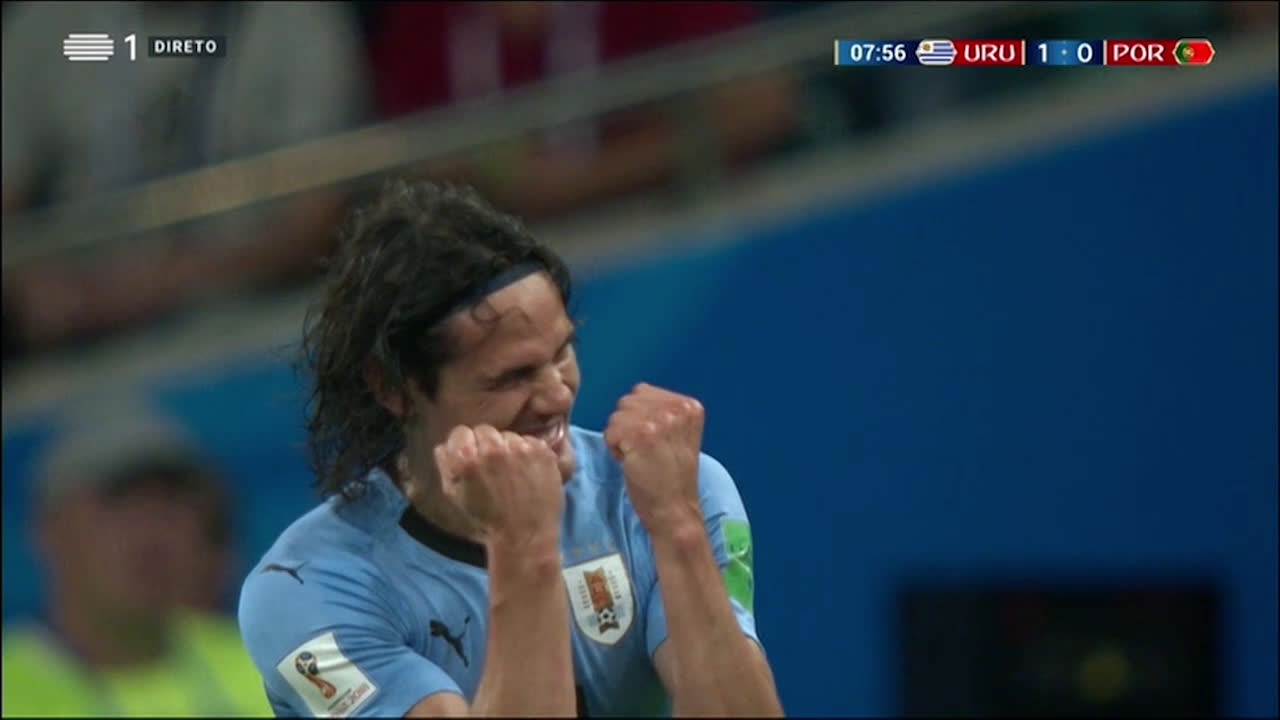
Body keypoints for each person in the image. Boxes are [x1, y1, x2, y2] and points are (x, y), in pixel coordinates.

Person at [237, 180, 783, 716]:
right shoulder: (304, 589)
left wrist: (679, 526)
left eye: (562, 351)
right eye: (511, 377)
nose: (557, 394)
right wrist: (523, 544)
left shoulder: (668, 488)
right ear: (395, 388)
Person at [1, 1, 370, 357]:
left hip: (259, 329)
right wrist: (32, 286)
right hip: (78, 353)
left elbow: (319, 215)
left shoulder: (297, 18)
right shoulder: (45, 24)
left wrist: (166, 283)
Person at [365, 1, 797, 219]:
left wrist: (580, 183)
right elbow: (393, 167)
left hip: (665, 243)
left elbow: (762, 106)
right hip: (488, 286)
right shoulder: (422, 16)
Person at [1, 404, 270, 716]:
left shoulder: (260, 663)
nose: (150, 531)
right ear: (48, 528)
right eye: (117, 502)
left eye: (170, 501)